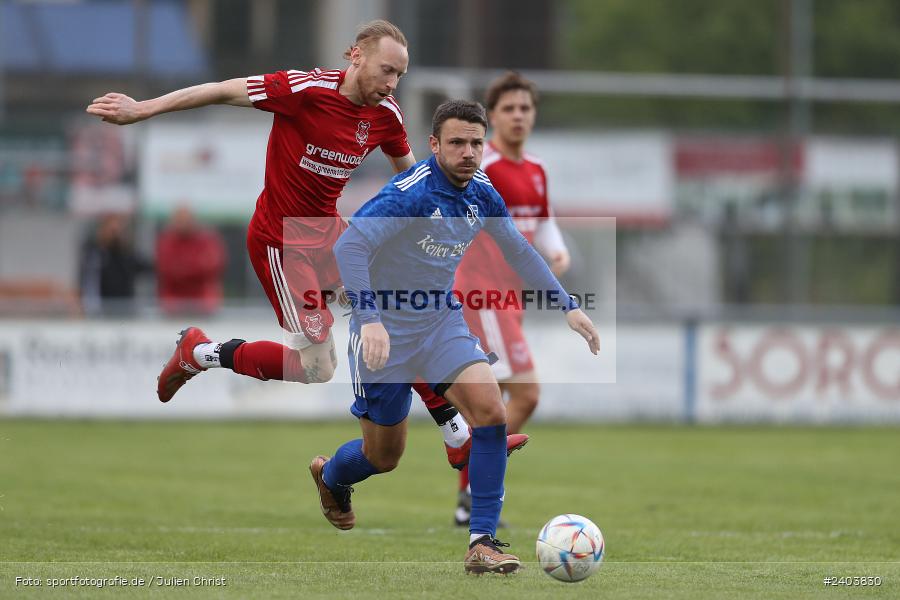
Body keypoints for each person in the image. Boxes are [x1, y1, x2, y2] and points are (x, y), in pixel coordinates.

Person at [85, 19, 515, 473]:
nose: (391, 84)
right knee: (316, 366)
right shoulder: (303, 89)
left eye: (399, 76)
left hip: (329, 234)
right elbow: (220, 89)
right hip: (282, 243)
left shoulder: (385, 114)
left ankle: (456, 435)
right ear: (355, 55)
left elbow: (412, 178)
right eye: (386, 71)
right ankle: (199, 353)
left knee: (396, 305)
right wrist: (143, 109)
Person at [311, 100, 599, 574]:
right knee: (383, 456)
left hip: (440, 322)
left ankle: (481, 541)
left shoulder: (483, 192)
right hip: (384, 331)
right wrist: (372, 319)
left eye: (476, 143)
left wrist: (567, 305)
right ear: (434, 145)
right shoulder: (411, 193)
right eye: (457, 143)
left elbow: (519, 252)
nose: (468, 152)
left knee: (490, 413)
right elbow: (351, 244)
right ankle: (330, 475)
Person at [414, 72, 572, 526]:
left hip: (511, 301)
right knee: (523, 393)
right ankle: (473, 479)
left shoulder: (536, 170)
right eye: (509, 109)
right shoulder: (483, 170)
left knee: (499, 400)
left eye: (525, 108)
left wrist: (554, 250)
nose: (519, 115)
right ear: (493, 117)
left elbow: (543, 221)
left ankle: (468, 478)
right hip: (480, 295)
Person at [156, 205, 226, 316]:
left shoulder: (207, 240)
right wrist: (196, 266)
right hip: (173, 304)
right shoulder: (167, 241)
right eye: (180, 219)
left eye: (186, 219)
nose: (183, 223)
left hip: (203, 302)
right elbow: (167, 268)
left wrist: (182, 267)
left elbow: (213, 265)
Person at [79, 213, 151, 317]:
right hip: (100, 311)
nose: (115, 235)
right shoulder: (94, 255)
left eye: (118, 231)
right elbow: (86, 283)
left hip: (125, 310)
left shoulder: (128, 255)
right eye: (112, 231)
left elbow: (148, 267)